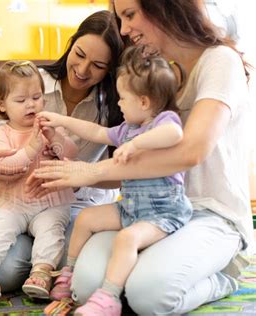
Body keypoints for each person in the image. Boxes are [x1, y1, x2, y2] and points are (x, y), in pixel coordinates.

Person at [31, 0, 252, 314]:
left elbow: (192, 151)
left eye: (130, 15)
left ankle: (223, 277)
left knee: (148, 296)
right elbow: (134, 164)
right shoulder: (152, 72)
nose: (123, 29)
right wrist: (71, 175)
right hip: (145, 209)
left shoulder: (219, 62)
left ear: (165, 7)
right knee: (86, 287)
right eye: (121, 18)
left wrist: (91, 172)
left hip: (210, 212)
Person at [0, 10, 125, 293]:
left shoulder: (116, 104)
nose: (83, 70)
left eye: (97, 65)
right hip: (8, 201)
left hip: (64, 204)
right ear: (70, 44)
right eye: (79, 54)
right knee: (5, 275)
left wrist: (75, 169)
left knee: (73, 271)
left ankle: (36, 259)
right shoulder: (25, 83)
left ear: (110, 70)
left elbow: (106, 165)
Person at [38, 45, 192, 314]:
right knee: (86, 220)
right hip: (130, 207)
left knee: (126, 239)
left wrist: (135, 145)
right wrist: (62, 120)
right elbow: (96, 132)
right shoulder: (127, 129)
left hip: (162, 214)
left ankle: (108, 298)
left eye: (123, 98)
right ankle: (68, 273)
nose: (118, 104)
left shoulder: (163, 120)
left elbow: (174, 135)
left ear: (143, 102)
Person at [0, 61, 78, 300]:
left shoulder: (48, 127)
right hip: (13, 202)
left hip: (49, 200)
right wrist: (32, 148)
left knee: (51, 230)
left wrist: (55, 138)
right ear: (2, 105)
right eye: (21, 100)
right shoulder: (2, 133)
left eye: (36, 97)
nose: (30, 104)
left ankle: (41, 272)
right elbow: (8, 167)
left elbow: (71, 154)